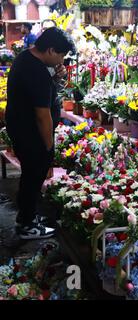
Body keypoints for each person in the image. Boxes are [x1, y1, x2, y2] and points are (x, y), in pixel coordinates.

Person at [5, 27, 75, 240]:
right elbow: (42, 116)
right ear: (51, 50)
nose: (61, 60)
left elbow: (41, 93)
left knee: (30, 176)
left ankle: (28, 217)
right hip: (31, 133)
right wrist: (49, 147)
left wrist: (54, 77)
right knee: (33, 177)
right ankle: (27, 225)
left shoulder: (26, 59)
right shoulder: (35, 71)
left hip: (20, 128)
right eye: (61, 55)